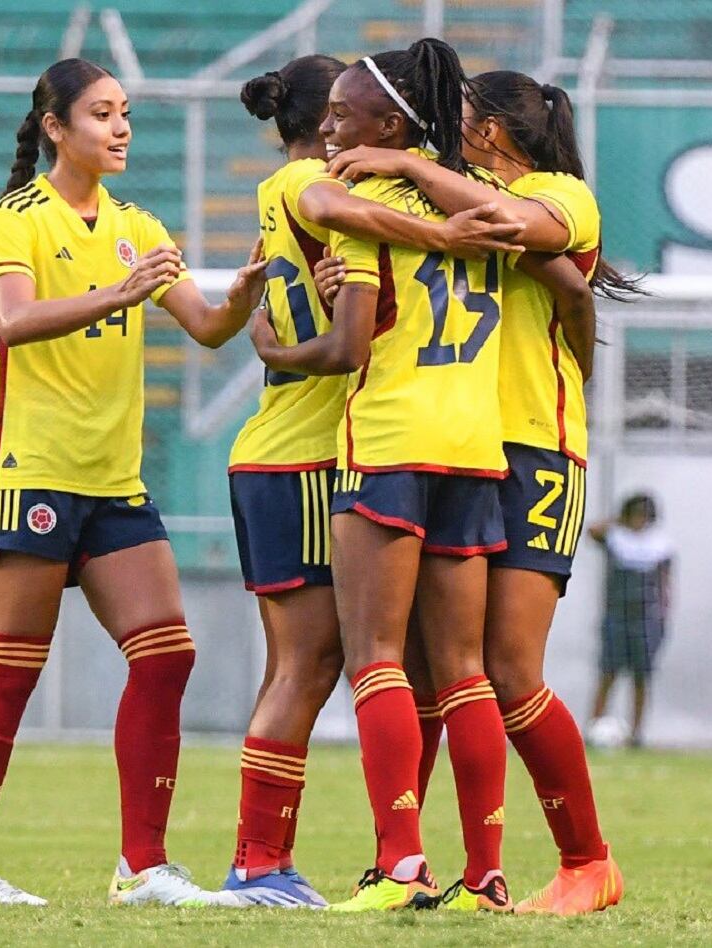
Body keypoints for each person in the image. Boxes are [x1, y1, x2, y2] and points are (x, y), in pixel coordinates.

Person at [0, 58, 268, 908]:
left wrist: (246, 294)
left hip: (113, 483)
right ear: (56, 128)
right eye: (102, 114)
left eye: (126, 114)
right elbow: (12, 321)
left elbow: (207, 328)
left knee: (166, 656)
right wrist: (119, 292)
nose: (120, 129)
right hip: (26, 472)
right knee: (13, 668)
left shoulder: (139, 224)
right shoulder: (16, 219)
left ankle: (143, 867)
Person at [327, 70, 644, 915]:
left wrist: (413, 174)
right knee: (435, 668)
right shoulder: (447, 205)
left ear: (497, 129)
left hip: (538, 451)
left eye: (466, 117)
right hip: (460, 446)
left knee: (508, 667)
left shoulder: (559, 194)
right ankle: (413, 861)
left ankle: (588, 861)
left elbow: (527, 239)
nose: (451, 127)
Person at [223, 55, 527, 908]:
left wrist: (273, 346)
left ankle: (389, 863)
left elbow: (349, 342)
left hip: (376, 443)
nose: (333, 137)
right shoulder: (474, 205)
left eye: (346, 119)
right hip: (449, 449)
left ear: (384, 127)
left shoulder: (366, 207)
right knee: (433, 669)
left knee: (370, 663)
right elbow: (529, 238)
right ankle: (479, 871)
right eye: (329, 119)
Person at [588, 493, 674, 748]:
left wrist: (663, 617)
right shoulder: (616, 539)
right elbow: (592, 530)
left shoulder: (659, 546)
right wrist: (618, 520)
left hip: (646, 618)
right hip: (617, 614)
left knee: (641, 676)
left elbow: (666, 584)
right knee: (608, 672)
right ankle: (595, 726)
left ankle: (636, 733)